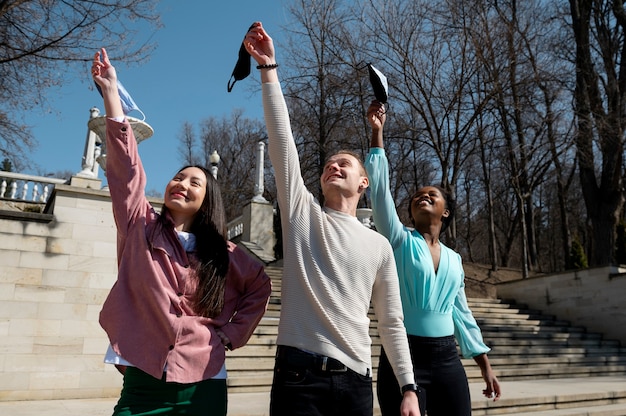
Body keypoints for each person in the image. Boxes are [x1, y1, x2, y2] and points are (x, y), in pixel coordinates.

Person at [243, 23, 421, 416]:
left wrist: (408, 387)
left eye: (344, 164)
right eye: (327, 165)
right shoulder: (301, 215)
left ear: (364, 182)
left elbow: (391, 322)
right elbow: (282, 141)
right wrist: (269, 68)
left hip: (356, 383)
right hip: (298, 380)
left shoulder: (379, 246)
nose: (333, 167)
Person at [91, 48, 272, 416]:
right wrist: (112, 96)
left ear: (208, 201)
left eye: (195, 183)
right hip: (144, 379)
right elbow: (127, 175)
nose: (182, 184)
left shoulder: (226, 254)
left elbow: (260, 286)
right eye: (178, 177)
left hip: (205, 380)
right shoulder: (139, 226)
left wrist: (231, 334)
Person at [364, 100, 502, 415]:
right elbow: (381, 189)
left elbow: (462, 315)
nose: (423, 196)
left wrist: (485, 366)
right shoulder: (397, 239)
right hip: (402, 355)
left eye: (432, 195)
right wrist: (377, 133)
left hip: (446, 358)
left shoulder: (455, 259)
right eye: (416, 196)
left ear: (446, 211)